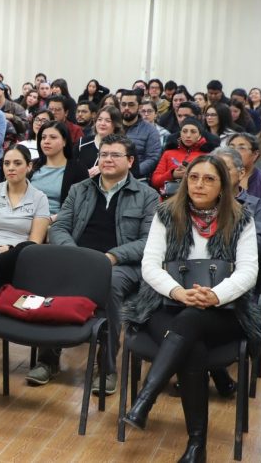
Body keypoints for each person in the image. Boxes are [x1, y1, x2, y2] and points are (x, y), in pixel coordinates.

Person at [121, 155, 260, 463]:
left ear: (224, 185)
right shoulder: (166, 213)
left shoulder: (242, 218)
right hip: (166, 304)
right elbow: (149, 265)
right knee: (191, 344)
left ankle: (145, 400)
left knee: (191, 325)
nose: (199, 184)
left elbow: (249, 271)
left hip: (224, 310)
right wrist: (179, 292)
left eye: (209, 179)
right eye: (194, 177)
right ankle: (197, 445)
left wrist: (215, 295)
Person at [46, 135, 158, 391]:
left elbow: (148, 241)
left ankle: (106, 368)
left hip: (119, 265)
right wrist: (74, 254)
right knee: (52, 277)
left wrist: (113, 256)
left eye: (115, 155)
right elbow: (60, 227)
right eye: (104, 154)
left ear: (130, 161)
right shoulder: (80, 189)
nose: (107, 159)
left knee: (110, 285)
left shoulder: (147, 196)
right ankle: (48, 358)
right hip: (78, 258)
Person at [0, 145, 51, 288]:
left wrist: (8, 249)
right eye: (6, 163)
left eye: (17, 163)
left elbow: (34, 243)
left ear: (29, 166)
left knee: (27, 248)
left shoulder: (40, 198)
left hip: (17, 253)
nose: (11, 168)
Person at [28, 121, 88, 219]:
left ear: (64, 141)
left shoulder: (78, 169)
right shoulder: (31, 165)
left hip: (58, 222)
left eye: (53, 137)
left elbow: (79, 206)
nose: (46, 141)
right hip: (26, 219)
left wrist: (49, 220)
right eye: (43, 137)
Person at [152, 119, 211, 191]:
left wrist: (189, 174)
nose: (188, 135)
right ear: (180, 133)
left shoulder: (207, 155)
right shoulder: (168, 153)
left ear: (200, 135)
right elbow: (155, 181)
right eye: (184, 131)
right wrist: (172, 174)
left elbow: (208, 182)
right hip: (169, 197)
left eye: (193, 132)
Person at [119, 91, 162, 180]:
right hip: (111, 175)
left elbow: (153, 158)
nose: (126, 108)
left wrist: (132, 172)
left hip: (137, 178)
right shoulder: (113, 127)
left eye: (131, 105)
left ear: (139, 107)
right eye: (123, 104)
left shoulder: (150, 130)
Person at [77, 106, 125, 176]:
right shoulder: (82, 143)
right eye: (99, 119)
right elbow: (71, 167)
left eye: (108, 121)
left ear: (116, 124)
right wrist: (84, 173)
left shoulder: (124, 146)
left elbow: (132, 172)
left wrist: (104, 169)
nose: (102, 123)